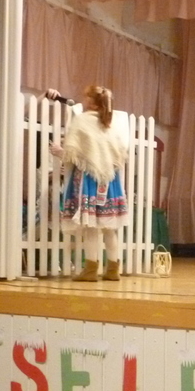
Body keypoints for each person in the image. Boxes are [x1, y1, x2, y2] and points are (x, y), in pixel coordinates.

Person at [49, 85, 128, 281]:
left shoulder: (82, 120)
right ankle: (113, 269)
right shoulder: (109, 123)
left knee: (90, 227)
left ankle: (91, 269)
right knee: (109, 229)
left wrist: (60, 152)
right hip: (110, 181)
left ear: (92, 102)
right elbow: (118, 152)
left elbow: (75, 152)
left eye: (87, 98)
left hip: (89, 180)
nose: (84, 101)